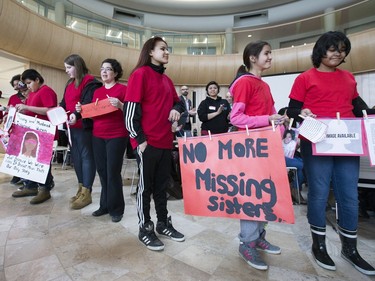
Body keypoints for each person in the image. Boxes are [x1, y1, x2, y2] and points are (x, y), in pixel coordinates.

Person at [287, 31, 375, 275]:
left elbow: (358, 106)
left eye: (342, 49)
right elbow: (293, 109)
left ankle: (350, 248)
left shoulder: (348, 78)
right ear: (320, 51)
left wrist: (370, 115)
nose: (338, 53)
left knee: (349, 194)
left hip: (347, 141)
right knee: (319, 193)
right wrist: (302, 113)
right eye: (332, 48)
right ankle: (319, 245)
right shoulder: (305, 78)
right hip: (317, 142)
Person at [124, 36, 185, 251]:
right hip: (147, 143)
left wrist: (177, 108)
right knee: (145, 188)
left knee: (162, 187)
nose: (166, 52)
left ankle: (162, 223)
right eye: (162, 49)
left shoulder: (167, 81)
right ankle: (145, 228)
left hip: (165, 142)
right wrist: (139, 140)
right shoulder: (139, 75)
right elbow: (130, 111)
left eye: (168, 49)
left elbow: (178, 101)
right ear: (150, 51)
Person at [229, 40, 286, 271]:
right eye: (266, 53)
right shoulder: (244, 82)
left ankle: (259, 235)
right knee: (251, 195)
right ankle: (247, 242)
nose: (270, 57)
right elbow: (236, 118)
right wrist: (267, 121)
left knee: (264, 194)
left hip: (265, 147)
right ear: (252, 58)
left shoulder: (264, 85)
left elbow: (272, 114)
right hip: (249, 148)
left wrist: (280, 125)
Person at [77, 58, 128, 223]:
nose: (104, 72)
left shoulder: (123, 89)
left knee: (113, 172)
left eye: (108, 69)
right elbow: (93, 113)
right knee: (102, 172)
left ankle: (117, 209)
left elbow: (133, 112)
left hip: (117, 135)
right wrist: (81, 110)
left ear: (115, 73)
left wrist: (120, 105)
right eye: (102, 69)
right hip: (98, 136)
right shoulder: (97, 92)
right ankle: (105, 205)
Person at [61, 54, 102, 210]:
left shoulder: (90, 82)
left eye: (69, 67)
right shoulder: (69, 83)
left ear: (77, 66)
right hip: (72, 128)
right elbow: (64, 103)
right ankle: (81, 188)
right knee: (76, 158)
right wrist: (59, 112)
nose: (66, 71)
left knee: (86, 158)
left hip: (84, 127)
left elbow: (88, 103)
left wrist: (76, 115)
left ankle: (87, 191)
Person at [12, 69, 57, 204]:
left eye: (30, 82)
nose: (28, 86)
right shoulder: (33, 93)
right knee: (31, 159)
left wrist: (28, 108)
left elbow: (50, 109)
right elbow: (32, 111)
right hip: (34, 131)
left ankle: (45, 189)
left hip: (44, 131)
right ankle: (31, 186)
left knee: (43, 161)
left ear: (37, 79)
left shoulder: (47, 91)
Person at [7, 75, 28, 185]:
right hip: (16, 128)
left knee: (28, 153)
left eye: (17, 84)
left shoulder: (30, 95)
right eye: (14, 85)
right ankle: (18, 174)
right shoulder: (12, 98)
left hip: (29, 127)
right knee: (16, 153)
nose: (16, 87)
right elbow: (9, 113)